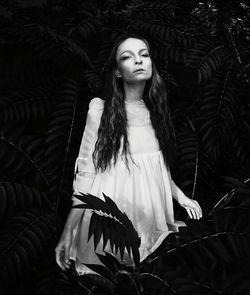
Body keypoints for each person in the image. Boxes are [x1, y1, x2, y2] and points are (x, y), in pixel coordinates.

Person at [55, 34, 202, 274]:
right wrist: (68, 231)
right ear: (117, 72)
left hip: (147, 217)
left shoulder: (155, 111)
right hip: (107, 220)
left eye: (144, 54)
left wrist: (181, 197)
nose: (138, 61)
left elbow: (155, 166)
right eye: (127, 57)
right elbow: (86, 173)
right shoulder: (100, 110)